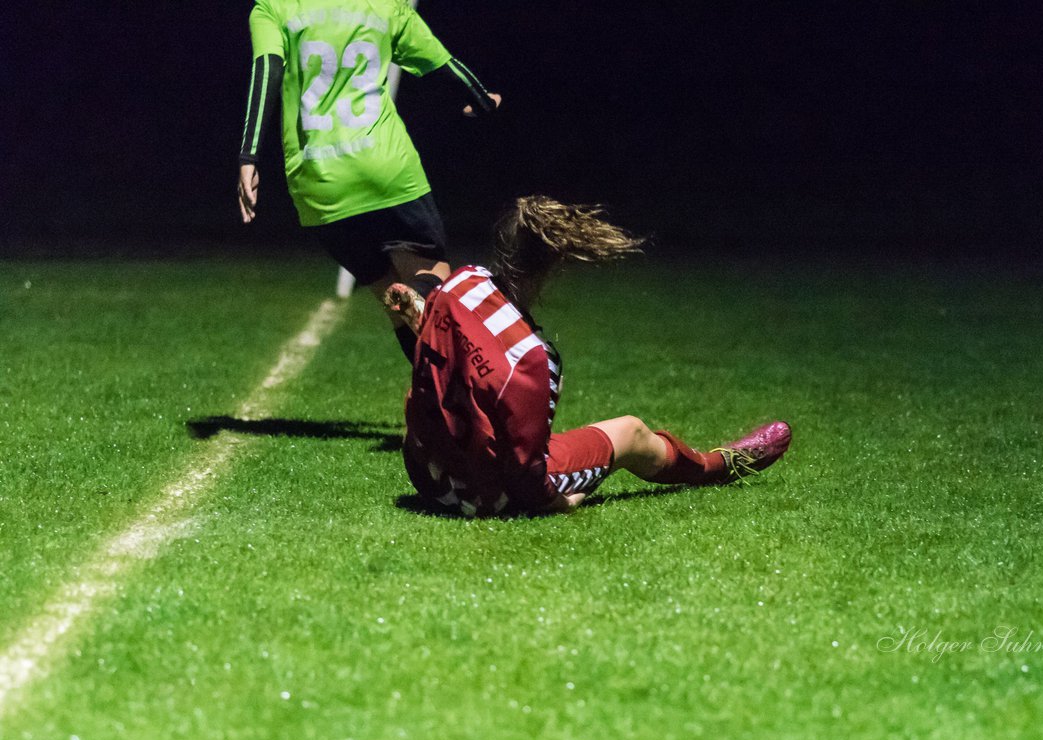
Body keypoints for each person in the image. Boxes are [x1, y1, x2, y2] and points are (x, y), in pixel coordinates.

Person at [383, 196, 792, 517]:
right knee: (630, 432)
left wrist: (419, 310)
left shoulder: (461, 283)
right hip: (479, 497)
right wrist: (555, 502)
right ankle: (719, 465)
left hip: (425, 470)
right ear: (553, 265)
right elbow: (524, 474)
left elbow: (449, 346)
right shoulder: (531, 358)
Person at [237, 0, 501, 360]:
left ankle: (431, 400)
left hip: (319, 184)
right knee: (432, 276)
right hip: (386, 171)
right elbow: (444, 65)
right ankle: (426, 309)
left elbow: (266, 71)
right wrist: (481, 99)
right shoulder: (386, 5)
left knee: (392, 300)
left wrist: (249, 156)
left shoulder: (273, 7)